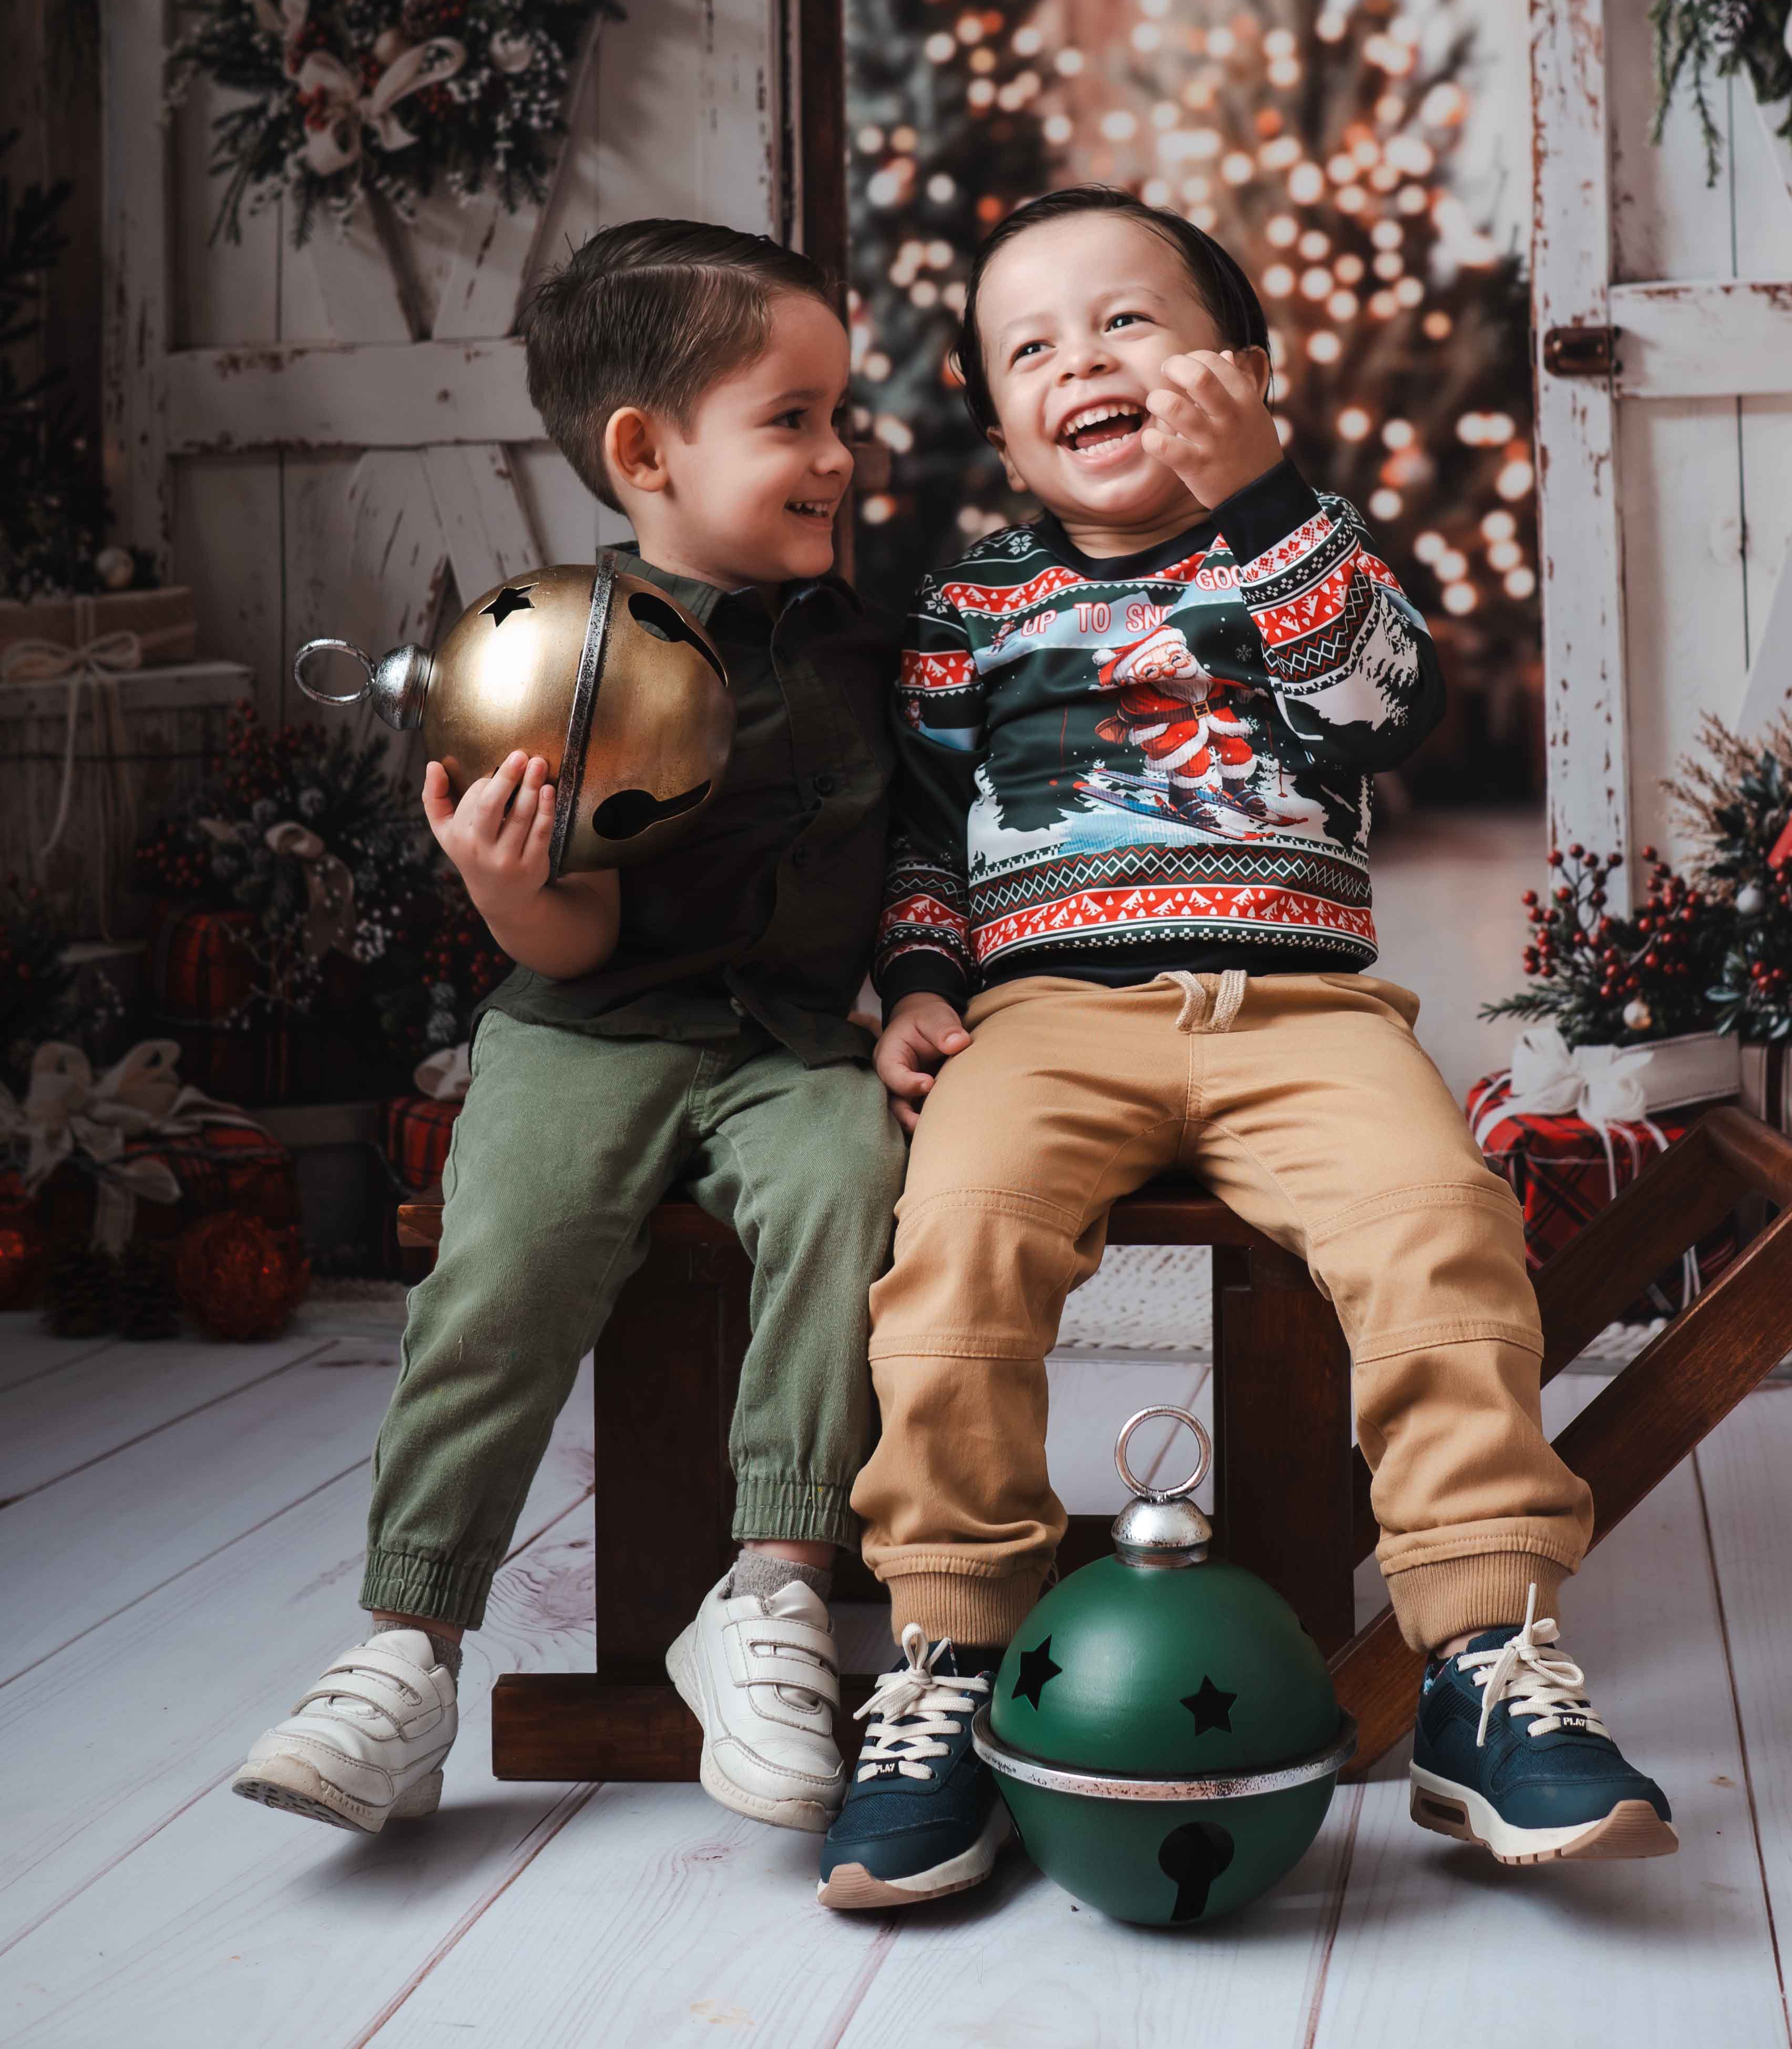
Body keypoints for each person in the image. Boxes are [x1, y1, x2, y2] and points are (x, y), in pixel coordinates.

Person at [817, 185, 1674, 1911]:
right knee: (958, 1246)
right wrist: (919, 980)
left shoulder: (1300, 551)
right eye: (1031, 347)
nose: (1083, 362)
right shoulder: (973, 600)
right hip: (1046, 1016)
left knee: (1441, 1229)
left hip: (1299, 1011)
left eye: (1128, 323)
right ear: (999, 423)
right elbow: (922, 832)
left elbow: (1385, 708)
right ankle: (947, 1661)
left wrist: (1269, 495)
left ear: (1243, 371)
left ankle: (1482, 1658)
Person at [233, 221, 902, 1840]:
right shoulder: (547, 656)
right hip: (584, 1025)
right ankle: (409, 1645)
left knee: (849, 1195)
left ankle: (775, 1593)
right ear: (643, 453)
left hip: (791, 1045)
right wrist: (509, 887)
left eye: (843, 415)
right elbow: (583, 933)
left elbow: (926, 856)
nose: (840, 454)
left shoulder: (868, 652)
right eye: (794, 419)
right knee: (505, 1266)